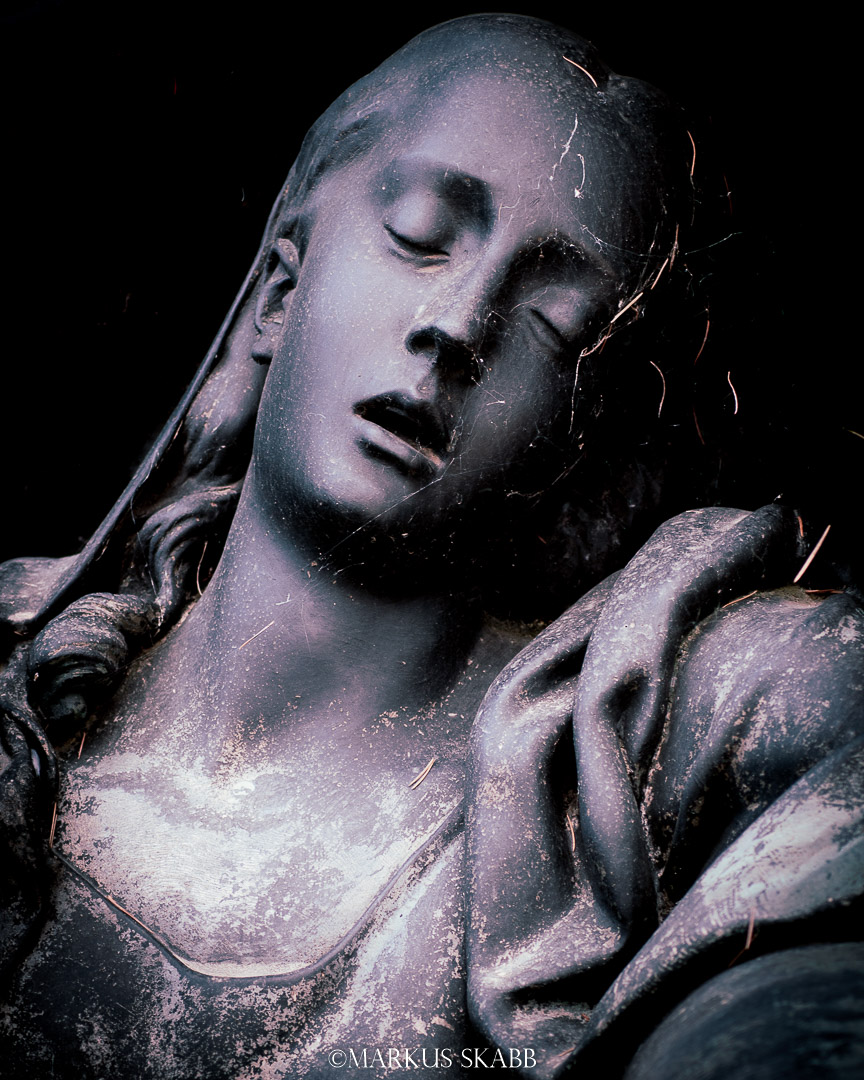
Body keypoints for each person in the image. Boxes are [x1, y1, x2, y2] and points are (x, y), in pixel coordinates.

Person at [1, 14, 861, 1079]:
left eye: (552, 321)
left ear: (578, 434)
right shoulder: (16, 689)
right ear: (278, 293)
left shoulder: (653, 728)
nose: (458, 324)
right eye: (418, 234)